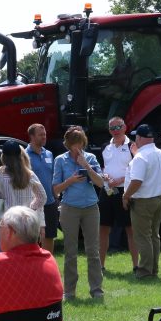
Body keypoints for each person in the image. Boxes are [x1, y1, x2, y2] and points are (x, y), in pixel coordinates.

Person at [53, 126, 106, 300]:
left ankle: (96, 290)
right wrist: (71, 180)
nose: (77, 148)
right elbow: (56, 189)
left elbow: (100, 183)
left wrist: (87, 167)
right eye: (74, 144)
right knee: (70, 251)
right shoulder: (60, 160)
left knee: (93, 251)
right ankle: (69, 291)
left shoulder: (90, 158)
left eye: (80, 144)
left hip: (91, 208)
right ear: (68, 144)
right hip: (69, 208)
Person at [0, 139, 45, 255]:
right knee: (24, 257)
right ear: (20, 155)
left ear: (3, 157)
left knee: (3, 258)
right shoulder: (30, 174)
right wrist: (30, 209)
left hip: (7, 223)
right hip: (26, 224)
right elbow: (42, 197)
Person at [123, 124, 161, 279]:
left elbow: (137, 181)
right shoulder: (159, 153)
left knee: (143, 237)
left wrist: (126, 196)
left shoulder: (141, 157)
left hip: (143, 201)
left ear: (140, 138)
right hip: (159, 198)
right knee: (154, 235)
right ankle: (153, 269)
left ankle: (145, 271)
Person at [99, 117, 139, 271]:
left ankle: (136, 265)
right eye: (112, 128)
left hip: (125, 191)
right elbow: (103, 167)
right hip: (107, 191)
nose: (115, 131)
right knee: (103, 228)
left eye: (118, 127)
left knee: (130, 229)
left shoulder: (132, 146)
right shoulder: (105, 147)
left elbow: (136, 169)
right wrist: (105, 176)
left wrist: (120, 180)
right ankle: (101, 266)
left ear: (125, 127)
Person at [25, 124, 58, 253]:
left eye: (45, 134)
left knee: (49, 236)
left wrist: (56, 197)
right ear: (32, 136)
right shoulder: (24, 155)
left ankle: (48, 262)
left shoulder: (49, 154)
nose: (44, 137)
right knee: (32, 238)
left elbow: (53, 177)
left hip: (50, 202)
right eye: (40, 135)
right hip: (33, 204)